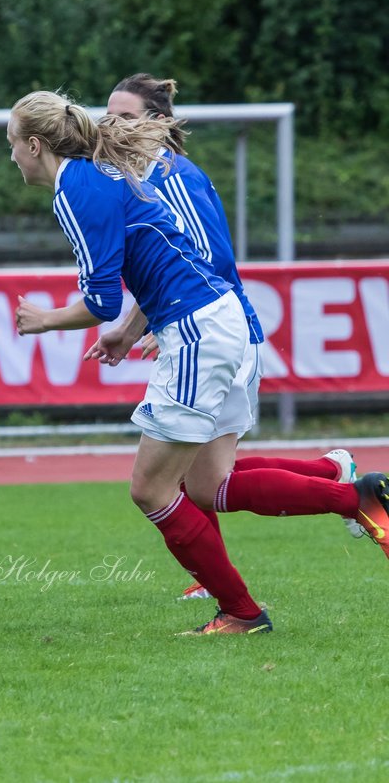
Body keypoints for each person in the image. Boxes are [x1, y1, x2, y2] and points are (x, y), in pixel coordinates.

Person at [7, 89, 389, 635]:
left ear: (36, 144)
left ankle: (242, 610)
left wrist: (45, 319)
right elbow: (153, 258)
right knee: (209, 486)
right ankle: (352, 492)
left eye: (12, 144)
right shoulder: (98, 174)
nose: (12, 156)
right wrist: (129, 331)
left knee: (151, 489)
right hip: (214, 318)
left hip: (197, 329)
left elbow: (100, 300)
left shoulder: (75, 190)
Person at [88, 74, 370, 603]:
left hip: (212, 332)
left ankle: (349, 495)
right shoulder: (149, 176)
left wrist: (160, 320)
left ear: (158, 123)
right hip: (208, 329)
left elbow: (205, 261)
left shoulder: (172, 177)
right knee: (205, 480)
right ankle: (337, 478)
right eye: (107, 115)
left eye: (124, 117)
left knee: (194, 484)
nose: (111, 125)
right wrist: (137, 327)